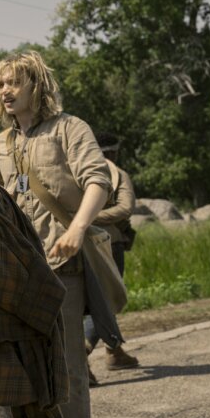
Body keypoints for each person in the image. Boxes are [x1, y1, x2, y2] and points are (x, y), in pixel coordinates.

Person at [0, 51, 112, 418]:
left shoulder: (69, 129)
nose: (6, 91)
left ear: (36, 85)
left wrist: (77, 229)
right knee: (8, 368)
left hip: (62, 268)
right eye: (1, 84)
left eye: (14, 82)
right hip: (13, 274)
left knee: (69, 367)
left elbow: (98, 181)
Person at [84, 132, 140, 384]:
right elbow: (126, 208)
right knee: (107, 298)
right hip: (109, 243)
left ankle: (114, 351)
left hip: (78, 240)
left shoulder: (75, 168)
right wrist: (90, 217)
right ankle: (82, 351)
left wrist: (80, 220)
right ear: (113, 151)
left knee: (94, 297)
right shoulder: (118, 174)